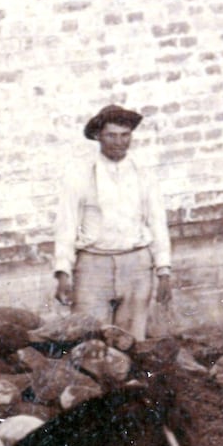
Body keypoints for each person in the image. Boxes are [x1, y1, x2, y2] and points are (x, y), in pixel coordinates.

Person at [53, 103, 172, 342]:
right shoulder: (80, 174)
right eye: (111, 135)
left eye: (125, 135)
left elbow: (158, 222)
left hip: (136, 264)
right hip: (93, 265)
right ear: (98, 136)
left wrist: (164, 271)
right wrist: (63, 273)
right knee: (89, 341)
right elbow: (66, 224)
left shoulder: (143, 174)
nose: (119, 142)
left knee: (130, 341)